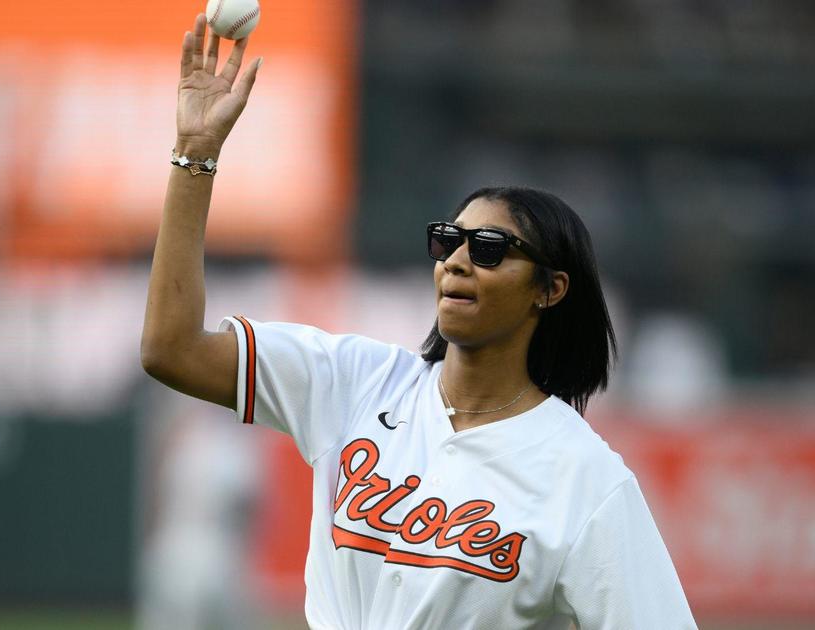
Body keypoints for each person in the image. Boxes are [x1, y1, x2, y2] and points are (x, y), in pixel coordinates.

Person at [141, 13, 697, 629]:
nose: (458, 261)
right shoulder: (356, 383)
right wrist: (195, 153)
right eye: (447, 241)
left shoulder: (584, 480)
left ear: (549, 289)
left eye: (489, 248)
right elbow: (172, 348)